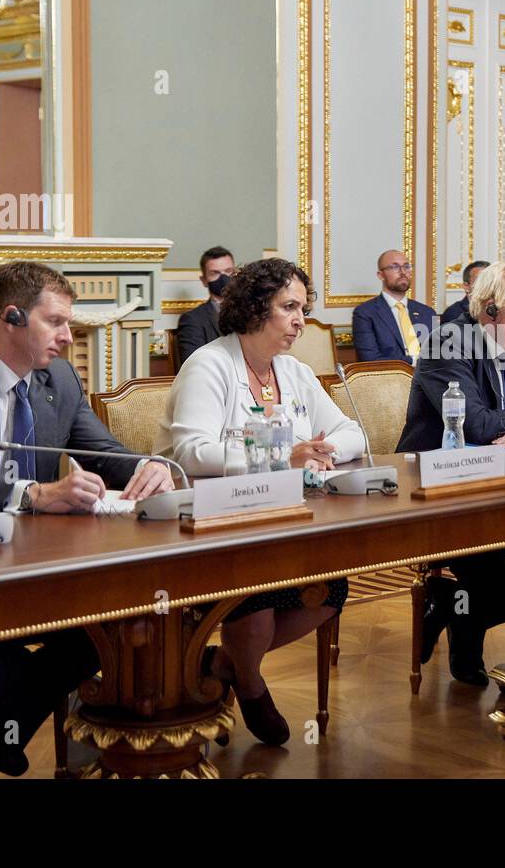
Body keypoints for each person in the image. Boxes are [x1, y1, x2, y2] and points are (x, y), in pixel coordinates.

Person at [0, 261, 174, 779]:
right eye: (56, 321)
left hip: (28, 560)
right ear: (12, 317)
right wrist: (37, 493)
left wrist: (150, 465)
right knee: (0, 652)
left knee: (114, 620)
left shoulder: (58, 378)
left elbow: (102, 450)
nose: (69, 336)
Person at [155, 258, 365, 744]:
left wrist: (323, 451)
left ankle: (224, 664)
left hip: (280, 514)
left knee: (331, 588)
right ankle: (250, 685)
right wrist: (281, 455)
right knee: (257, 598)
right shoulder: (209, 364)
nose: (300, 320)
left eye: (304, 309)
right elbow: (193, 452)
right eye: (289, 307)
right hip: (201, 521)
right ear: (254, 308)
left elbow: (350, 431)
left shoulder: (292, 371)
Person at [397, 262, 505, 686]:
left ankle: (456, 607)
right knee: (487, 565)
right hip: (440, 488)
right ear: (491, 312)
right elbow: (476, 426)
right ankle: (459, 612)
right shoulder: (448, 344)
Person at [351, 249, 436, 364]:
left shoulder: (427, 312)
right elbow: (371, 360)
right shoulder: (365, 313)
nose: (402, 272)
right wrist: (415, 361)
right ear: (380, 275)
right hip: (390, 379)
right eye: (394, 267)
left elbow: (438, 353)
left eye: (406, 266)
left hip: (429, 378)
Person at [175, 245, 235, 365]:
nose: (223, 278)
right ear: (204, 280)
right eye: (215, 273)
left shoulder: (252, 313)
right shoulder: (193, 319)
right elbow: (193, 364)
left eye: (228, 271)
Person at [440, 259, 489, 325]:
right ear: (466, 287)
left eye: (489, 280)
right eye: (480, 281)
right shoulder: (453, 314)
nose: (486, 285)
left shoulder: (499, 310)